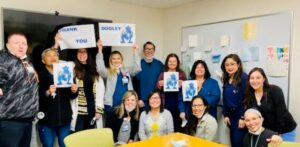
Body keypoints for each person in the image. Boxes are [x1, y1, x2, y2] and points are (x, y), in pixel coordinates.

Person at [0, 32, 39, 147]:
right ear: (7, 45)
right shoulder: (3, 59)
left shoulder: (25, 61)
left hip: (27, 118)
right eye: (17, 43)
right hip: (10, 120)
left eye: (24, 43)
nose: (21, 46)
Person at [38, 48, 78, 147]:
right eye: (49, 55)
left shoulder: (67, 72)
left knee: (65, 145)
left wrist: (74, 91)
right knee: (48, 145)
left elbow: (72, 96)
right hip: (46, 120)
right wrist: (47, 92)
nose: (53, 57)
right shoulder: (38, 75)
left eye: (55, 55)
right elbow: (34, 96)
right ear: (43, 60)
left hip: (64, 118)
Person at [244, 67, 297, 141]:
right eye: (252, 78)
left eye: (258, 78)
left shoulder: (274, 90)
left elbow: (281, 115)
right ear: (249, 81)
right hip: (269, 132)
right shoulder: (249, 96)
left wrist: (276, 134)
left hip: (285, 130)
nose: (255, 81)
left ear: (264, 79)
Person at [96, 40, 141, 116]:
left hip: (127, 105)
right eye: (113, 59)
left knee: (125, 126)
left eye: (118, 58)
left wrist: (135, 52)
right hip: (112, 105)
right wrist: (100, 50)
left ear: (121, 60)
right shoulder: (108, 72)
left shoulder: (126, 71)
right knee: (111, 127)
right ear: (111, 61)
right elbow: (100, 68)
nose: (116, 60)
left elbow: (137, 68)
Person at [71, 48, 105, 132]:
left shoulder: (95, 69)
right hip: (79, 111)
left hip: (92, 109)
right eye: (79, 52)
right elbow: (57, 63)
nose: (82, 54)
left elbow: (100, 92)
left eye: (84, 52)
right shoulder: (72, 69)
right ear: (76, 54)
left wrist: (99, 110)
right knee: (77, 137)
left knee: (89, 138)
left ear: (88, 54)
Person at [221, 54, 247, 147]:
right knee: (233, 143)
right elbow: (225, 99)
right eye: (227, 65)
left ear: (238, 64)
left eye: (232, 64)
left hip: (240, 117)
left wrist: (243, 117)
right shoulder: (227, 79)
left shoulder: (244, 78)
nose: (229, 67)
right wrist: (225, 114)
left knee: (238, 143)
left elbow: (247, 99)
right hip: (231, 117)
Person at [157, 53, 186, 132]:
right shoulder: (162, 74)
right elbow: (157, 89)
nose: (172, 63)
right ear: (167, 62)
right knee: (166, 126)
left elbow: (187, 89)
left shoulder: (181, 74)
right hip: (165, 103)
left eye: (174, 61)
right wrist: (160, 84)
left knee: (178, 126)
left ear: (177, 63)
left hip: (178, 104)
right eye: (170, 61)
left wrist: (182, 84)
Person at [134, 41, 163, 110]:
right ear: (144, 50)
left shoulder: (159, 64)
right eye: (147, 49)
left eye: (151, 49)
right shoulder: (138, 64)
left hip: (156, 99)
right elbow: (135, 83)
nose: (149, 51)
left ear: (154, 50)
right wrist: (138, 98)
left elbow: (163, 81)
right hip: (143, 100)